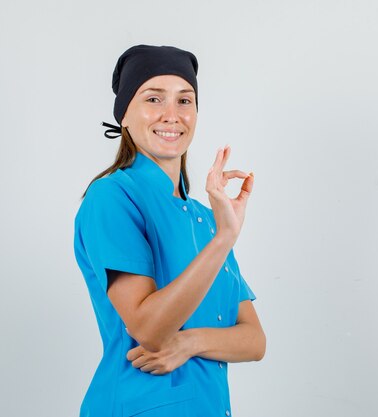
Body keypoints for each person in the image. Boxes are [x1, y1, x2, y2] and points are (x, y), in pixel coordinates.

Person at [73, 44, 265, 417]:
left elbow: (254, 340)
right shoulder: (113, 197)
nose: (171, 115)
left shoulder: (207, 217)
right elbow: (149, 329)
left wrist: (190, 343)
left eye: (184, 101)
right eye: (153, 98)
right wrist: (225, 237)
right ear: (124, 114)